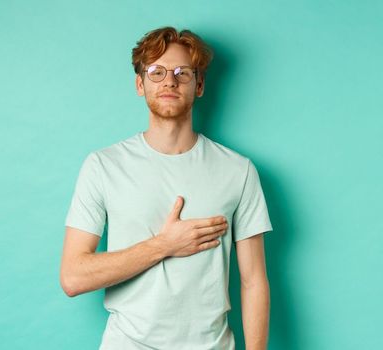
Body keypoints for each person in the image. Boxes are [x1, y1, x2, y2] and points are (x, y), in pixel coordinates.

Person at [59, 26, 272, 350]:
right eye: (156, 72)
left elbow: (253, 281)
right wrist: (164, 245)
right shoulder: (103, 165)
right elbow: (73, 277)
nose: (169, 81)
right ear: (139, 84)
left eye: (181, 73)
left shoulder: (238, 170)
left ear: (199, 85)